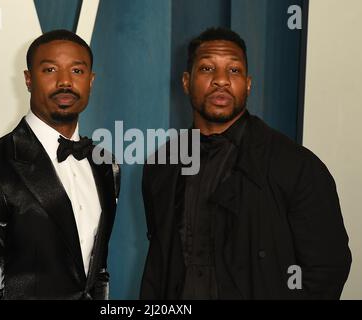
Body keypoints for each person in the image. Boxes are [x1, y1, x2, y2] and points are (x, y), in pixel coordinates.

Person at [140, 27, 351, 299]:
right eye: (206, 69)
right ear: (185, 81)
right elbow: (159, 264)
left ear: (248, 84)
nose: (221, 80)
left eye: (234, 70)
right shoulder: (162, 166)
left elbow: (327, 269)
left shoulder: (297, 166)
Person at [0, 29, 120, 300]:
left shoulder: (105, 166)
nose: (65, 82)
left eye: (77, 71)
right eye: (50, 70)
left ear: (91, 80)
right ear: (29, 80)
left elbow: (96, 273)